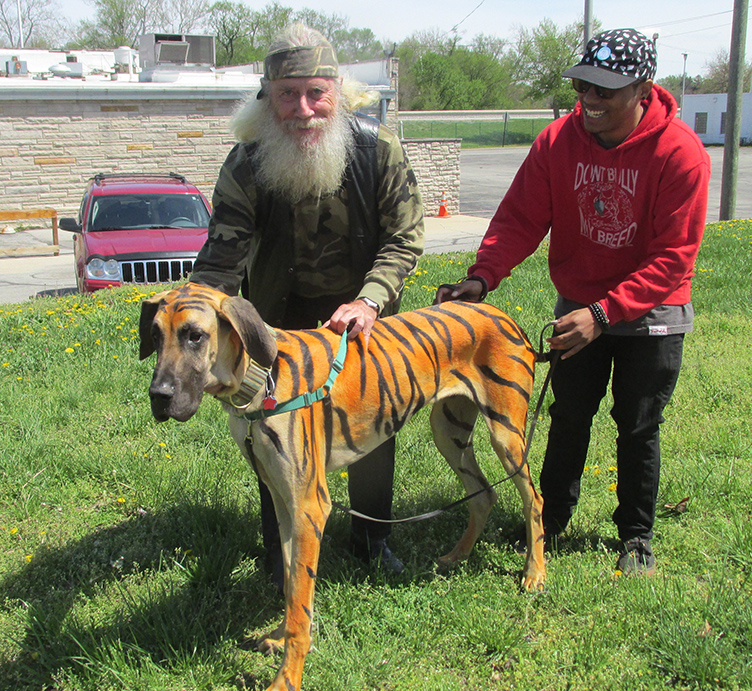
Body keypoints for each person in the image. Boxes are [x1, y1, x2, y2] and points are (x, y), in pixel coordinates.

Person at [435, 29, 709, 576]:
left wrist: (605, 314)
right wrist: (482, 277)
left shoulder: (681, 155)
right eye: (585, 84)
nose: (591, 98)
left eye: (606, 89)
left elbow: (674, 257)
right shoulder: (558, 141)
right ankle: (551, 518)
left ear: (642, 89)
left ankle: (635, 537)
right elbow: (520, 219)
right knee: (568, 417)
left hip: (652, 316)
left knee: (637, 426)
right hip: (578, 303)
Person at [189, 24, 424, 587]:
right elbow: (222, 254)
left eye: (316, 92)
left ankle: (371, 537)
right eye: (287, 94)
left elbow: (406, 236)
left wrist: (369, 302)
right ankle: (282, 547)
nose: (303, 108)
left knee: (371, 428)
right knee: (271, 435)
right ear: (266, 99)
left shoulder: (378, 148)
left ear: (337, 92)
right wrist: (190, 312)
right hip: (277, 321)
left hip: (361, 318)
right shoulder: (245, 164)